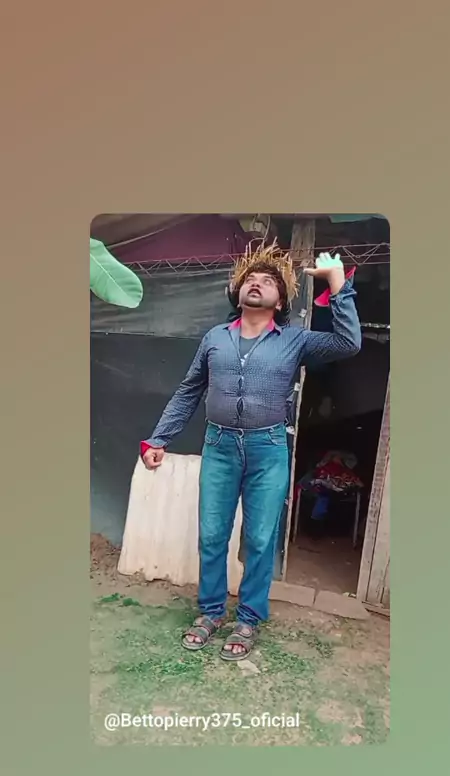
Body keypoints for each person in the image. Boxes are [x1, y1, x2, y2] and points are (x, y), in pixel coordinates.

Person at [140, 241, 362, 660]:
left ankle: (248, 618)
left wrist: (338, 285)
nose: (256, 283)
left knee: (260, 538)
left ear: (280, 301)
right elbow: (189, 391)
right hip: (220, 447)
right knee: (212, 535)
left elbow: (348, 343)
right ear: (237, 293)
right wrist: (158, 438)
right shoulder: (215, 338)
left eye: (267, 281)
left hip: (268, 449)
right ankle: (210, 612)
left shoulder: (294, 340)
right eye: (250, 279)